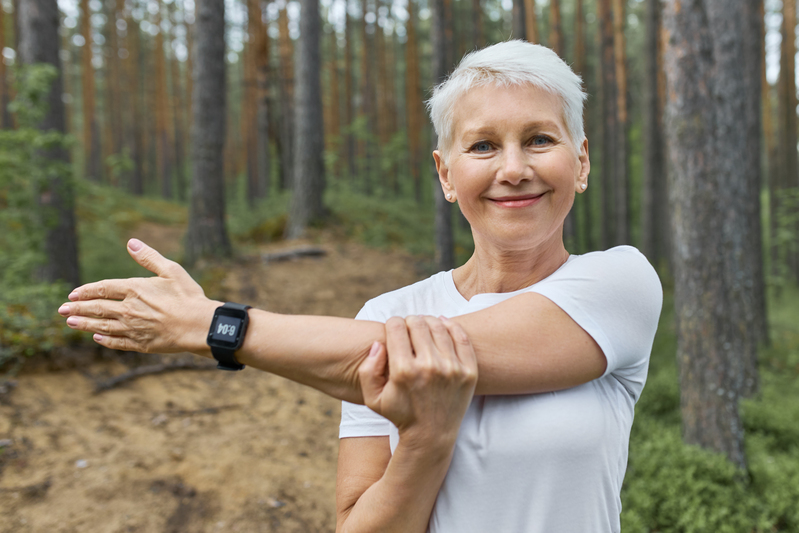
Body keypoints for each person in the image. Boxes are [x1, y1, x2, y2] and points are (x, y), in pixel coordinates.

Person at [58, 40, 662, 533]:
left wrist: (213, 326)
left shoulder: (620, 283)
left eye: (539, 139)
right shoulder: (388, 312)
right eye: (482, 145)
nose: (512, 168)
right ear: (446, 173)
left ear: (580, 161)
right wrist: (426, 441)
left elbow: (414, 356)